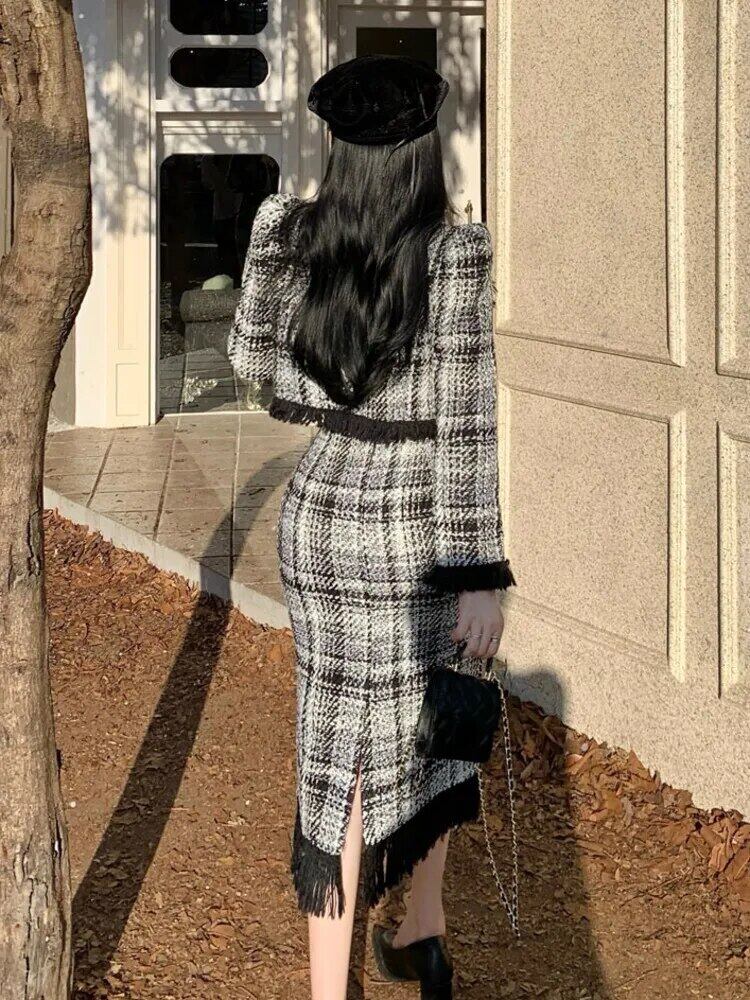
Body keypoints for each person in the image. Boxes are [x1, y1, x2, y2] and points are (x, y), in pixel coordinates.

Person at [227, 53, 516, 1000]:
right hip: (414, 530)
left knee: (343, 747)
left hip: (320, 516)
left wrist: (326, 374)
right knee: (428, 724)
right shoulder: (454, 252)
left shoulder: (292, 233)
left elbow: (255, 369)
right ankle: (411, 935)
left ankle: (407, 940)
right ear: (422, 146)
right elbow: (467, 423)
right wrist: (479, 574)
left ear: (338, 144)